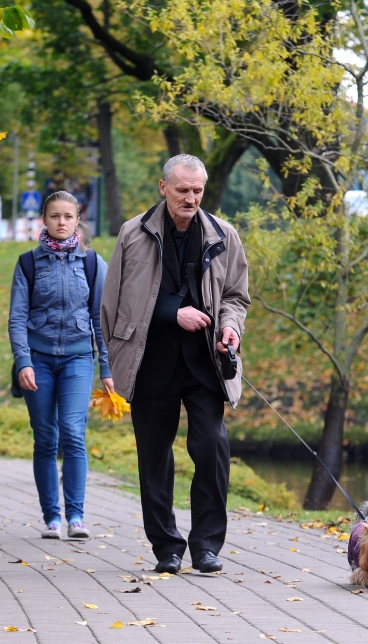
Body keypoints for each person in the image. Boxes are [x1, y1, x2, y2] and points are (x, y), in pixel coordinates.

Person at [100, 154, 250, 574]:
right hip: (149, 361)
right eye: (182, 190)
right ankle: (166, 546)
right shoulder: (132, 233)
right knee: (153, 458)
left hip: (205, 362)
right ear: (163, 187)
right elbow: (113, 304)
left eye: (197, 190)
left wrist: (230, 328)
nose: (191, 198)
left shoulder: (225, 235)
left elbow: (237, 297)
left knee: (212, 449)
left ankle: (206, 547)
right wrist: (171, 314)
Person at [9, 191, 113, 540]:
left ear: (77, 218)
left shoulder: (93, 263)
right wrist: (22, 360)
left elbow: (102, 320)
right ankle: (52, 517)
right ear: (44, 219)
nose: (61, 222)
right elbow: (17, 318)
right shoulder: (27, 263)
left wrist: (107, 369)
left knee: (72, 432)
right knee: (45, 438)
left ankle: (77, 516)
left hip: (78, 358)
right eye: (55, 216)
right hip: (38, 360)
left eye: (68, 216)